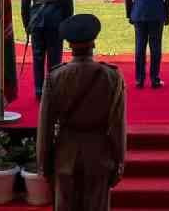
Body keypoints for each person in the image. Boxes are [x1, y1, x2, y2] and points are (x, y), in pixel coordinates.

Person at [37, 14, 126, 211]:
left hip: (65, 153)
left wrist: (44, 161)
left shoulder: (55, 76)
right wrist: (119, 160)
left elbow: (45, 125)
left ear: (69, 45)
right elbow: (118, 124)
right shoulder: (111, 76)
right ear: (93, 43)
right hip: (99, 153)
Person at [21, 0, 74, 100]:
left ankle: (38, 90)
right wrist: (67, 22)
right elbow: (68, 2)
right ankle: (53, 89)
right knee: (55, 57)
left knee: (37, 56)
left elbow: (25, 3)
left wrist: (26, 24)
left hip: (36, 20)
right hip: (56, 20)